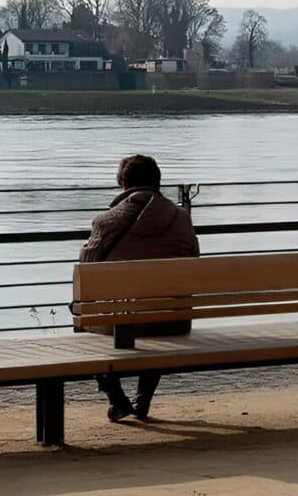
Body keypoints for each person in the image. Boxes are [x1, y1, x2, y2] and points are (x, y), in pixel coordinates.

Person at [79, 154, 200, 422]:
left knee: (85, 317)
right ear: (158, 182)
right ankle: (142, 400)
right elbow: (194, 262)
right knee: (155, 314)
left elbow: (86, 269)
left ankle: (117, 398)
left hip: (118, 326)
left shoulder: (106, 221)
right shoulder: (182, 219)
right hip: (172, 320)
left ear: (123, 182)